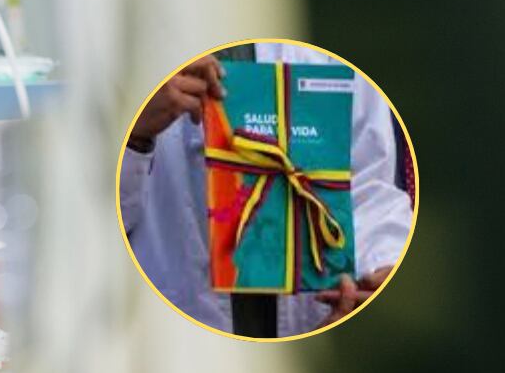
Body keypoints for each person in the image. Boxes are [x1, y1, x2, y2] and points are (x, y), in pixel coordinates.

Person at [119, 43, 412, 336]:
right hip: (165, 330)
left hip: (308, 326)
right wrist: (135, 135)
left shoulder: (329, 58)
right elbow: (87, 219)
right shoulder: (123, 48)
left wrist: (378, 270)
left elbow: (371, 187)